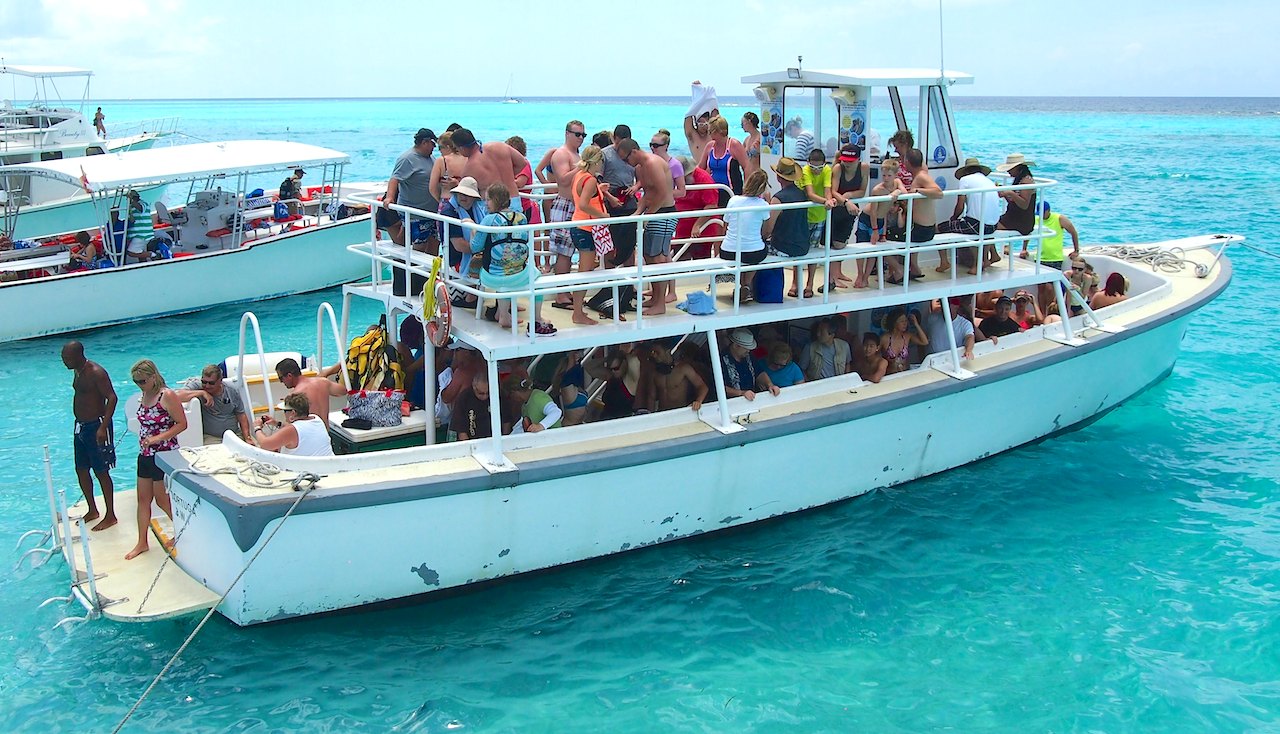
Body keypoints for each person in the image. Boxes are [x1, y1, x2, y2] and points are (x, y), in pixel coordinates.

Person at [470, 183, 555, 335]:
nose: (485, 203)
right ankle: (536, 317)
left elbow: (475, 247)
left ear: (496, 200)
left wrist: (473, 231)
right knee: (537, 278)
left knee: (501, 269)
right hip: (519, 274)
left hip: (492, 276)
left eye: (488, 200)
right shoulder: (521, 217)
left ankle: (503, 315)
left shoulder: (489, 220)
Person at [125, 359, 187, 560]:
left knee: (161, 499)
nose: (139, 385)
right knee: (143, 499)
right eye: (136, 382)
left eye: (142, 381)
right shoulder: (145, 394)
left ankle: (183, 531)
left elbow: (181, 423)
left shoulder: (166, 395)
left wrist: (157, 438)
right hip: (145, 454)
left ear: (153, 377)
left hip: (163, 454)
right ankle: (142, 542)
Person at [62, 341, 117, 531]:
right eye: (63, 358)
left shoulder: (96, 372)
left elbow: (112, 397)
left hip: (96, 425)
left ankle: (110, 515)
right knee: (81, 469)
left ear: (79, 356)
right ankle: (92, 509)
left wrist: (103, 427)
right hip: (81, 426)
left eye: (68, 358)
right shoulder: (77, 371)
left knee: (101, 470)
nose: (65, 362)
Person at [618, 139, 678, 316]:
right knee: (648, 255)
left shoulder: (652, 163)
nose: (626, 163)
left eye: (626, 159)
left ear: (634, 151)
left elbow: (662, 193)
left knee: (658, 258)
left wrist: (648, 215)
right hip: (652, 213)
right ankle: (655, 297)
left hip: (664, 213)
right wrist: (638, 213)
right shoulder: (640, 168)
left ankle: (660, 303)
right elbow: (647, 193)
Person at [543, 120, 587, 305]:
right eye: (578, 134)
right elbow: (562, 180)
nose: (581, 138)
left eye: (583, 135)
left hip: (578, 206)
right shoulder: (561, 154)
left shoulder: (577, 155)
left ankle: (565, 290)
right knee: (563, 252)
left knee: (572, 250)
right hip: (565, 204)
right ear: (567, 133)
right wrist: (580, 168)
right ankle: (561, 294)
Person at [937, 157, 1001, 274]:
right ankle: (986, 259)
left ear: (966, 171)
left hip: (976, 225)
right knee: (982, 229)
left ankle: (945, 262)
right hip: (993, 225)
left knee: (940, 228)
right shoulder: (988, 181)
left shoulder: (965, 180)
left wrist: (953, 218)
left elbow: (960, 206)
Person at [568, 145, 609, 326]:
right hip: (586, 228)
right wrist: (603, 215)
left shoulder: (580, 175)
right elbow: (584, 204)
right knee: (584, 274)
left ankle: (578, 310)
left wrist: (599, 189)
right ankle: (577, 313)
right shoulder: (590, 180)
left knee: (584, 269)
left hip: (579, 225)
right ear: (597, 161)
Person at [381, 128, 440, 250]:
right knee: (420, 245)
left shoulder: (431, 158)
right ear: (424, 142)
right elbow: (395, 178)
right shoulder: (407, 158)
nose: (434, 147)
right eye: (433, 144)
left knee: (434, 243)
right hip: (415, 212)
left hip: (431, 212)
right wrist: (390, 197)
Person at [450, 128, 526, 221]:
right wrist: (509, 175)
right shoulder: (499, 146)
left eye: (457, 149)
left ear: (462, 148)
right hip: (513, 200)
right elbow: (522, 163)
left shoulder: (469, 168)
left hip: (492, 208)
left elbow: (466, 192)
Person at [721, 170, 772, 301]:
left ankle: (742, 286)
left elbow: (725, 226)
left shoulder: (733, 200)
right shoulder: (763, 205)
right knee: (755, 251)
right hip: (753, 252)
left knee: (744, 253)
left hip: (728, 250)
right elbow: (766, 232)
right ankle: (746, 284)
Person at [854, 159, 905, 288]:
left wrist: (897, 191)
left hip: (881, 220)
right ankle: (860, 275)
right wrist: (876, 230)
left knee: (874, 250)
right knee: (861, 249)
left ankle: (866, 278)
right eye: (884, 175)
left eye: (889, 176)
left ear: (895, 175)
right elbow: (873, 212)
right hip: (868, 218)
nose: (886, 178)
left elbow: (905, 192)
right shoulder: (877, 190)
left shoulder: (897, 183)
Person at [765, 158, 811, 296]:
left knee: (754, 250)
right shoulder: (802, 194)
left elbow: (768, 230)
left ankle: (748, 287)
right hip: (802, 246)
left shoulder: (778, 199)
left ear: (778, 177)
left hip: (783, 247)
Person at [828, 144, 869, 287]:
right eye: (844, 160)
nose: (847, 164)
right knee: (833, 244)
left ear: (858, 159)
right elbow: (833, 191)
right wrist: (845, 201)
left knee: (841, 243)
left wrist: (849, 195)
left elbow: (862, 191)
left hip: (850, 210)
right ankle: (833, 277)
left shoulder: (864, 168)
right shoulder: (838, 168)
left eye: (850, 161)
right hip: (836, 209)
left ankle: (838, 272)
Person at [176, 365, 252, 443]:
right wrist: (202, 393)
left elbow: (241, 415)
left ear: (220, 381)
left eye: (211, 383)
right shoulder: (198, 386)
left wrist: (247, 437)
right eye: (204, 382)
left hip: (234, 434)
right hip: (211, 437)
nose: (207, 386)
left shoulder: (231, 392)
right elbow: (177, 396)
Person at [797, 148, 835, 295]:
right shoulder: (805, 170)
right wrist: (826, 201)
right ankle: (795, 283)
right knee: (799, 250)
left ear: (824, 164)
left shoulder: (827, 170)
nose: (816, 171)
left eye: (819, 168)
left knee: (813, 251)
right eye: (813, 167)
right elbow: (810, 194)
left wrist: (828, 200)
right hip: (804, 217)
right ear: (808, 163)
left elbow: (827, 190)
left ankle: (809, 284)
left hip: (819, 216)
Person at [601, 124, 639, 267]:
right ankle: (610, 277)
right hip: (610, 199)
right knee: (610, 243)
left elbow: (642, 176)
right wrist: (609, 197)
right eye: (618, 143)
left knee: (629, 244)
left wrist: (636, 186)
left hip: (628, 199)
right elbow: (597, 179)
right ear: (614, 138)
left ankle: (629, 278)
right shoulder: (605, 154)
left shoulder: (634, 154)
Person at [672, 154, 722, 260]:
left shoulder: (704, 180)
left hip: (703, 227)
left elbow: (711, 206)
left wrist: (697, 225)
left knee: (700, 257)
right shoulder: (673, 179)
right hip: (682, 226)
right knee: (680, 257)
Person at [902, 148, 943, 277]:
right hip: (924, 228)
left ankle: (898, 271)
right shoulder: (921, 173)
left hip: (921, 230)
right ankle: (913, 268)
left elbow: (938, 192)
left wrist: (918, 191)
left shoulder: (921, 176)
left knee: (888, 236)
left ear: (907, 162)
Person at [252, 393, 334, 456]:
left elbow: (265, 444)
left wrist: (257, 428)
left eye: (285, 411)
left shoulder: (292, 430)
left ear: (293, 413)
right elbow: (298, 431)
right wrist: (277, 423)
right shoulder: (316, 419)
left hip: (309, 470)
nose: (284, 414)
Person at [275, 358, 346, 427]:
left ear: (289, 376)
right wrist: (326, 373)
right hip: (325, 433)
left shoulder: (295, 395)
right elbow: (343, 391)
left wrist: (277, 423)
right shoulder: (323, 382)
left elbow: (293, 427)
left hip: (309, 434)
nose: (281, 381)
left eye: (281, 378)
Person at [697, 115, 749, 207]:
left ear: (719, 131)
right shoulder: (710, 146)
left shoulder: (734, 145)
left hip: (732, 191)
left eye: (711, 131)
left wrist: (746, 190)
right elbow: (700, 168)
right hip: (713, 191)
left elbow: (747, 167)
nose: (709, 134)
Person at [996, 153, 1038, 267]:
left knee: (987, 227)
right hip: (1014, 217)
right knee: (987, 225)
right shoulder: (1020, 179)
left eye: (1009, 169)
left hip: (1020, 221)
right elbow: (1015, 202)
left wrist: (1010, 193)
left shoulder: (1026, 181)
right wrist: (1005, 194)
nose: (1008, 171)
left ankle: (992, 254)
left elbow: (1024, 204)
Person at [648, 343, 708, 412]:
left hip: (681, 412)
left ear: (667, 351)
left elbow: (702, 386)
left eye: (657, 352)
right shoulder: (654, 373)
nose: (654, 355)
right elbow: (651, 397)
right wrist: (651, 415)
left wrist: (698, 401)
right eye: (653, 352)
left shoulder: (683, 368)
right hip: (662, 413)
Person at [722, 329, 779, 400]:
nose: (748, 351)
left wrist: (770, 385)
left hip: (752, 399)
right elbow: (719, 387)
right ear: (736, 346)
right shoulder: (720, 360)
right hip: (731, 403)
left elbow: (759, 372)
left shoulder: (749, 356)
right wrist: (742, 393)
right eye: (746, 348)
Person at [880, 308, 928, 375]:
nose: (905, 323)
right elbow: (875, 355)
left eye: (906, 321)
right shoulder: (884, 338)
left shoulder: (907, 336)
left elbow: (924, 342)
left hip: (905, 373)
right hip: (890, 375)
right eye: (902, 321)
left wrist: (916, 324)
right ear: (894, 323)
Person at [682, 80, 719, 162]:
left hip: (713, 169)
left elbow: (715, 111)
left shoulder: (712, 135)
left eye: (706, 123)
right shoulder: (692, 136)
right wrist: (697, 95)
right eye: (701, 123)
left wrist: (707, 94)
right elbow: (688, 116)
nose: (704, 126)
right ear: (696, 123)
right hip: (698, 168)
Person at [428, 130, 467, 207]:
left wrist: (440, 201)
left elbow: (432, 188)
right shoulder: (467, 159)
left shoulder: (441, 161)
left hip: (447, 200)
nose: (439, 151)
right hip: (465, 202)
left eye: (440, 147)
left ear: (448, 147)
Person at [449, 372, 492, 441]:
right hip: (472, 441)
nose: (485, 396)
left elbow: (506, 421)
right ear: (474, 387)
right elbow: (461, 430)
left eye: (488, 393)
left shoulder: (498, 395)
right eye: (481, 393)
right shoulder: (464, 398)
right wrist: (469, 446)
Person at [550, 350, 588, 426]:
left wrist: (576, 357)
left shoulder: (576, 386)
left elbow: (577, 370)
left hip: (578, 424)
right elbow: (570, 373)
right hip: (569, 425)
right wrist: (572, 355)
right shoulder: (566, 387)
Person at [649, 129, 687, 200]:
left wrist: (660, 193)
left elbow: (682, 192)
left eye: (655, 145)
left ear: (665, 146)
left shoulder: (675, 165)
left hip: (667, 203)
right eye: (651, 145)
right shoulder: (649, 162)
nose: (652, 148)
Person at [123, 190, 155, 263]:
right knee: (140, 253)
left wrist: (131, 201)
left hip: (142, 234)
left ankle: (153, 255)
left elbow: (140, 208)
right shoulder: (131, 207)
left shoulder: (143, 204)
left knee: (131, 252)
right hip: (136, 235)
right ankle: (144, 264)